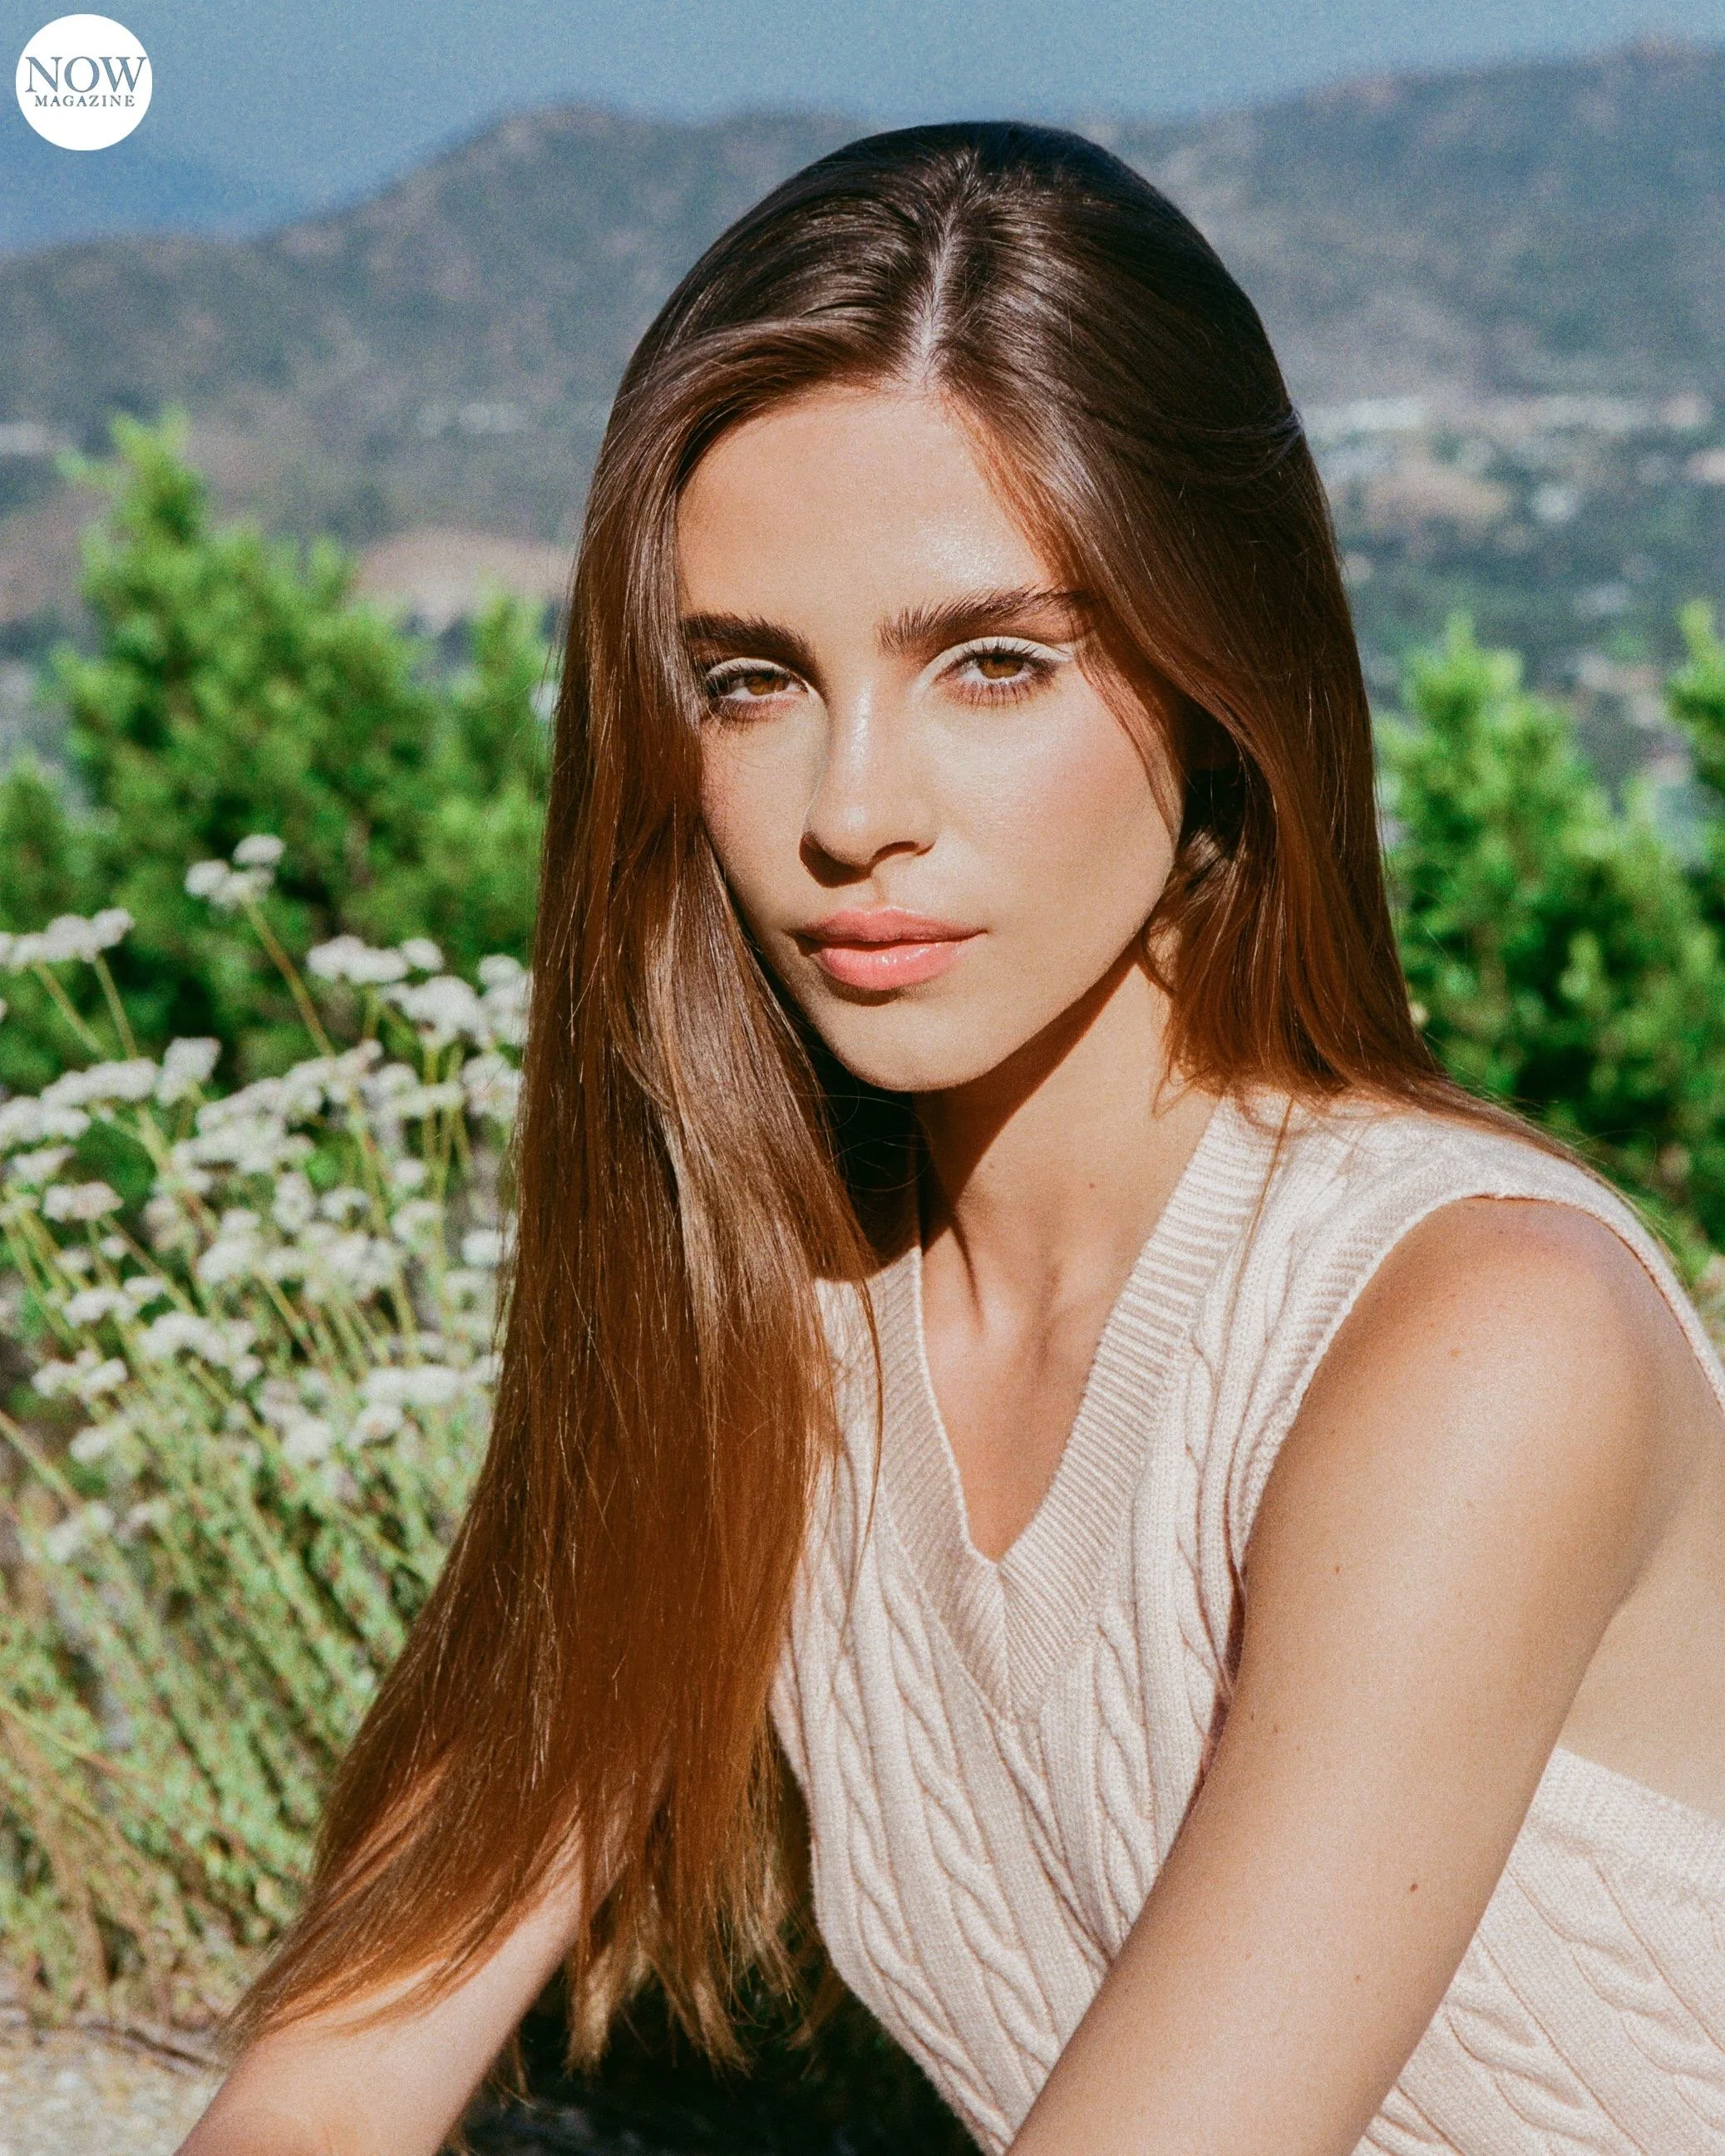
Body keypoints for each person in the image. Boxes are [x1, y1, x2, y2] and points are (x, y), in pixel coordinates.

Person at [182, 122, 1725, 2156]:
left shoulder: (1475, 1337)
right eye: (749, 682)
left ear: (1215, 681)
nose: (850, 807)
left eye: (990, 661)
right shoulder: (754, 1311)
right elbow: (326, 2090)